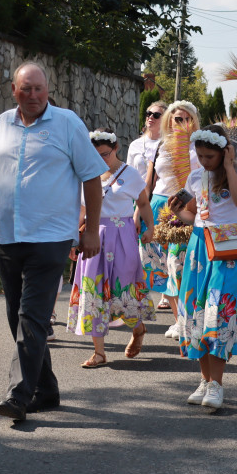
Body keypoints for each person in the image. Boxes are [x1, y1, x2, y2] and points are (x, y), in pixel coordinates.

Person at [0, 62, 106, 421]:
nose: (32, 95)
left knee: (31, 317)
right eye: (25, 89)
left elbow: (93, 178)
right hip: (8, 236)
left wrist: (91, 230)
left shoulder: (67, 124)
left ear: (47, 89)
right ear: (14, 90)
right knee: (16, 317)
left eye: (38, 88)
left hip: (51, 238)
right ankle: (46, 390)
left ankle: (19, 395)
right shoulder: (3, 123)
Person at [168, 125, 237, 410]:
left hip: (229, 250)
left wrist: (229, 165)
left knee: (219, 313)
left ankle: (217, 384)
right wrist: (177, 212)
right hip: (199, 249)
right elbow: (193, 216)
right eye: (200, 155)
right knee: (196, 313)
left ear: (225, 151)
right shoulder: (196, 177)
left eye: (210, 156)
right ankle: (205, 380)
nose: (204, 161)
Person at [66, 129, 155, 367]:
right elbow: (83, 211)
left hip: (122, 235)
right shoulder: (86, 174)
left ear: (116, 148)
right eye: (96, 155)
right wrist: (74, 239)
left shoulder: (130, 174)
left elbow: (143, 203)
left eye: (105, 154)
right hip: (94, 235)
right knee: (94, 289)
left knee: (123, 288)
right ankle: (99, 353)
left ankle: (137, 328)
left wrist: (150, 228)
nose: (101, 159)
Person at [143, 101, 200, 334]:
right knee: (161, 265)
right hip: (158, 206)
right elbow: (150, 181)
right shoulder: (160, 146)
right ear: (169, 120)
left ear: (194, 122)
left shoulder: (198, 147)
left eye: (187, 119)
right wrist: (141, 211)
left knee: (178, 264)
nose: (182, 123)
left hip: (185, 208)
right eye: (177, 119)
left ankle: (187, 320)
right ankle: (179, 320)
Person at [127, 100, 168, 175]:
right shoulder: (135, 145)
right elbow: (129, 174)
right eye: (148, 113)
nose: (151, 117)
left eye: (156, 115)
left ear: (165, 120)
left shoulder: (168, 145)